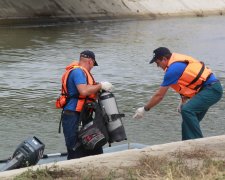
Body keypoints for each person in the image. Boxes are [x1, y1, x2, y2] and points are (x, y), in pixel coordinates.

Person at [133, 47, 223, 140]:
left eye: (157, 62)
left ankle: (198, 145)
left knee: (187, 110)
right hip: (207, 90)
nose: (157, 66)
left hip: (212, 90)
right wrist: (182, 101)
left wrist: (145, 109)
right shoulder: (176, 64)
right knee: (187, 119)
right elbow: (189, 83)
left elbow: (159, 96)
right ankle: (187, 144)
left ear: (164, 59)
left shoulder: (172, 70)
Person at [60, 50, 113, 159]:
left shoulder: (82, 73)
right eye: (93, 64)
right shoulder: (78, 72)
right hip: (73, 115)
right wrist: (100, 85)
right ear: (90, 61)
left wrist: (100, 91)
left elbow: (88, 94)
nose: (92, 67)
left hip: (84, 115)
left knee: (94, 145)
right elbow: (83, 91)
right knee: (74, 147)